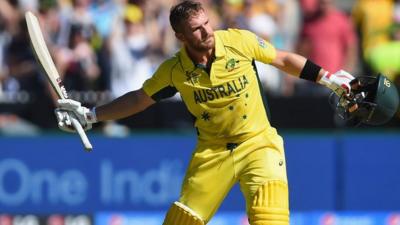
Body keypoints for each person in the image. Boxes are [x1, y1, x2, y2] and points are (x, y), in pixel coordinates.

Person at [54, 1, 355, 224]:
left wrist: (327, 78)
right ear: (180, 36)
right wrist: (91, 115)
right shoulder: (174, 71)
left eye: (207, 23)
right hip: (213, 153)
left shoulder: (238, 41)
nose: (206, 32)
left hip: (259, 144)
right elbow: (139, 99)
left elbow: (282, 58)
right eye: (196, 30)